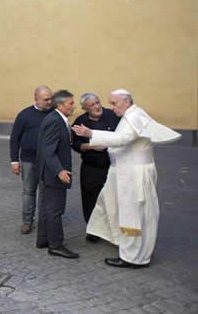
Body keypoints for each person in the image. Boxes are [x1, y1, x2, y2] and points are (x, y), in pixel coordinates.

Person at [72, 89, 180, 268]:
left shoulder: (133, 117)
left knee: (133, 215)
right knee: (109, 204)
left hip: (132, 175)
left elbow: (123, 139)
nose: (111, 108)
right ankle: (126, 246)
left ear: (126, 101)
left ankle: (132, 257)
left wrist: (91, 134)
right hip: (124, 172)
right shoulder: (132, 114)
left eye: (114, 103)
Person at [70, 93, 121, 242]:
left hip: (113, 164)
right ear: (85, 108)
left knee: (114, 197)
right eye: (92, 105)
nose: (97, 106)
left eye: (98, 102)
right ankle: (93, 230)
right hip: (91, 166)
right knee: (90, 198)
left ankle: (114, 230)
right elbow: (75, 144)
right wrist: (89, 146)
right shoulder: (80, 122)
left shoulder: (113, 116)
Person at [36, 90, 79, 259]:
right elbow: (48, 150)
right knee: (55, 210)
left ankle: (43, 239)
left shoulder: (56, 119)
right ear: (60, 105)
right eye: (70, 103)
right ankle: (56, 245)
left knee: (47, 208)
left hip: (49, 173)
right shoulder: (55, 121)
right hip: (53, 174)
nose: (73, 106)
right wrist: (60, 170)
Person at [9, 85, 54, 234]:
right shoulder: (24, 115)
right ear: (36, 99)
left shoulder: (54, 114)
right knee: (28, 191)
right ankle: (27, 222)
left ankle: (45, 221)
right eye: (46, 99)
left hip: (48, 161)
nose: (49, 102)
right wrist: (14, 160)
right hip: (29, 160)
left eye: (51, 98)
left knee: (46, 192)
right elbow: (15, 138)